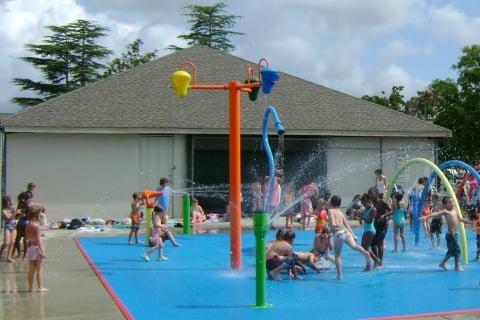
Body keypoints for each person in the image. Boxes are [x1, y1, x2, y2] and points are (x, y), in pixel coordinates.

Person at [420, 196, 473, 271]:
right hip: (450, 235)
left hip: (455, 234)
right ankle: (456, 266)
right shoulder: (445, 211)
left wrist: (469, 222)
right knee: (458, 250)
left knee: (451, 251)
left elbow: (460, 219)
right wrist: (426, 217)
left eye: (452, 202)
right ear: (445, 205)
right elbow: (435, 213)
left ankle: (443, 264)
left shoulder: (454, 210)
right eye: (449, 202)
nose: (452, 203)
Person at [328, 195, 371, 280]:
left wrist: (330, 230)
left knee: (337, 256)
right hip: (346, 232)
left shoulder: (330, 211)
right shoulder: (340, 212)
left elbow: (333, 224)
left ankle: (339, 275)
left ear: (332, 203)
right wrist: (353, 235)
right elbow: (347, 225)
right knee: (354, 246)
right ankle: (366, 253)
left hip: (338, 233)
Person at [25, 203, 48, 292]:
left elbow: (27, 237)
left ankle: (30, 287)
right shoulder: (36, 226)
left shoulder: (28, 225)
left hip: (30, 247)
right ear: (37, 214)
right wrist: (42, 251)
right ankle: (40, 287)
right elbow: (39, 240)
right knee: (39, 269)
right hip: (37, 248)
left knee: (31, 269)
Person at [358, 193, 382, 268]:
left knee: (365, 248)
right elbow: (363, 219)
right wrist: (360, 218)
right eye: (363, 204)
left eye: (364, 203)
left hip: (370, 230)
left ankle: (370, 264)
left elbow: (369, 221)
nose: (364, 205)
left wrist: (362, 216)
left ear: (369, 201)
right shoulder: (366, 209)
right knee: (363, 247)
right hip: (366, 230)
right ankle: (376, 260)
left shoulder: (373, 209)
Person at [371, 189, 391, 268]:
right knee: (372, 244)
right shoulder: (372, 203)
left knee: (380, 243)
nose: (371, 197)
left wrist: (385, 216)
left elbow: (392, 211)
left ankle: (380, 262)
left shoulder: (383, 202)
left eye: (372, 195)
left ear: (376, 194)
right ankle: (376, 260)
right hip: (375, 224)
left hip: (383, 225)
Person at [0, 196, 17, 262]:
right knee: (6, 243)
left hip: (14, 226)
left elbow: (16, 218)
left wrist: (21, 215)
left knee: (12, 242)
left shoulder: (13, 209)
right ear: (5, 202)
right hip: (7, 227)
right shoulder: (3, 211)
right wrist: (14, 213)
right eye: (8, 201)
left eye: (10, 200)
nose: (10, 202)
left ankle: (9, 257)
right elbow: (8, 218)